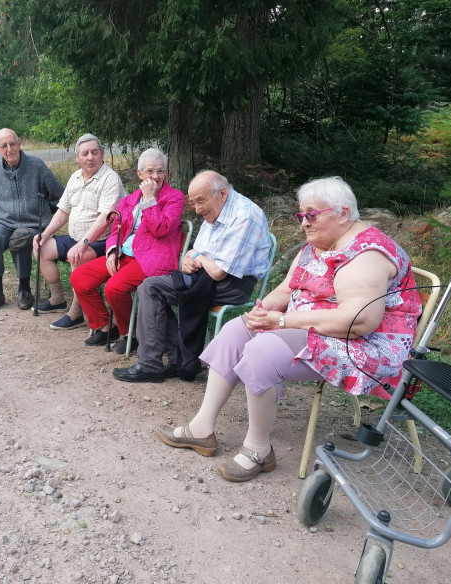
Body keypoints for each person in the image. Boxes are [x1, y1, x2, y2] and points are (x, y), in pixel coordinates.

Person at [156, 176, 421, 482]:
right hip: (314, 327)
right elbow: (286, 289)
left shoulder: (367, 253)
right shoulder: (319, 243)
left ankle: (258, 450)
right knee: (235, 331)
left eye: (311, 215)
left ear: (344, 214)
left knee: (261, 351)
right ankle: (201, 428)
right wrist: (263, 311)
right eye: (301, 215)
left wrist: (281, 321)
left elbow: (357, 322)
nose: (304, 223)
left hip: (363, 345)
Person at [113, 170, 272, 383]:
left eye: (200, 201)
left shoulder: (245, 215)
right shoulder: (215, 208)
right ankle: (177, 359)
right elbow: (196, 253)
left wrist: (196, 256)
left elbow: (218, 272)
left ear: (222, 193)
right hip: (204, 277)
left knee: (152, 288)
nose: (197, 209)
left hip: (233, 284)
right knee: (150, 287)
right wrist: (189, 259)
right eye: (193, 203)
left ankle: (155, 364)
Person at [70, 148, 185, 350]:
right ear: (139, 174)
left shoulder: (174, 198)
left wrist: (150, 201)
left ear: (166, 173)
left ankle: (130, 334)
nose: (155, 177)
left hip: (152, 258)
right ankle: (105, 326)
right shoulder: (130, 200)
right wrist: (112, 251)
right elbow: (116, 229)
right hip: (123, 254)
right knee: (80, 276)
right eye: (150, 171)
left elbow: (161, 229)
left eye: (160, 171)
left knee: (114, 288)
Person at [32, 134, 126, 330]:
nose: (90, 157)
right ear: (77, 157)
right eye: (85, 153)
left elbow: (104, 219)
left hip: (102, 241)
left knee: (78, 257)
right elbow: (63, 211)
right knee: (42, 248)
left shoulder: (110, 179)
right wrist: (45, 234)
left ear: (102, 154)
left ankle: (75, 314)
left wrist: (83, 244)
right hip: (76, 238)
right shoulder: (75, 177)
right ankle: (57, 298)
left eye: (94, 152)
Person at [0, 128, 65, 311]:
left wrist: (45, 212)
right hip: (3, 222)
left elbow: (60, 196)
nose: (9, 149)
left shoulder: (37, 166)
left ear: (20, 143)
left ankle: (24, 289)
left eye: (12, 143)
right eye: (4, 146)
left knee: (21, 237)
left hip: (32, 222)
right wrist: (0, 215)